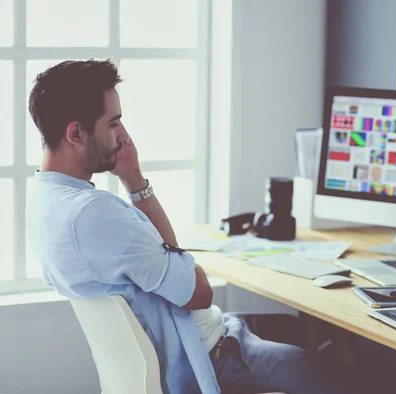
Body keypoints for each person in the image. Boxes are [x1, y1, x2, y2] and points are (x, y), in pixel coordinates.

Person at [26, 59, 366, 394]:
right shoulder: (95, 214)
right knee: (344, 376)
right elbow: (199, 292)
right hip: (213, 356)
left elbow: (173, 264)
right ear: (76, 133)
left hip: (209, 334)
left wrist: (134, 179)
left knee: (298, 329)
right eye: (113, 122)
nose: (122, 135)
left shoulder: (47, 202)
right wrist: (135, 184)